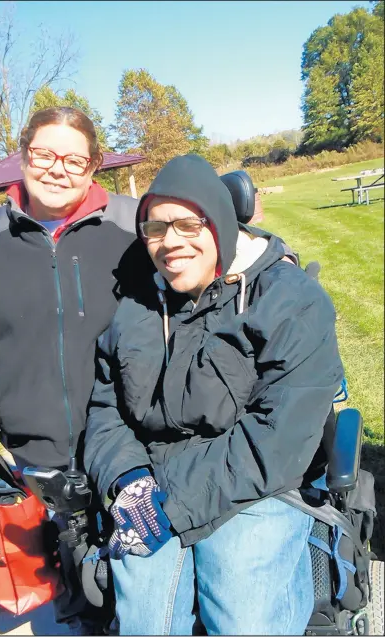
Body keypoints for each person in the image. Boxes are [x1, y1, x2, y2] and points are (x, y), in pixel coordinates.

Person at [84, 154, 344, 635]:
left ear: (221, 222)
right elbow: (107, 406)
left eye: (188, 223)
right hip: (151, 481)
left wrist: (171, 500)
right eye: (156, 228)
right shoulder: (137, 305)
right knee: (144, 623)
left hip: (257, 485)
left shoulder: (289, 300)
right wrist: (127, 478)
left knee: (244, 617)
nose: (170, 242)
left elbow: (279, 439)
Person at [0, 106, 138, 634]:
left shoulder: (131, 225)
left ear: (94, 164)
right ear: (23, 155)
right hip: (34, 449)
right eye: (44, 153)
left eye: (74, 158)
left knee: (137, 568)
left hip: (126, 437)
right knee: (67, 577)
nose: (57, 169)